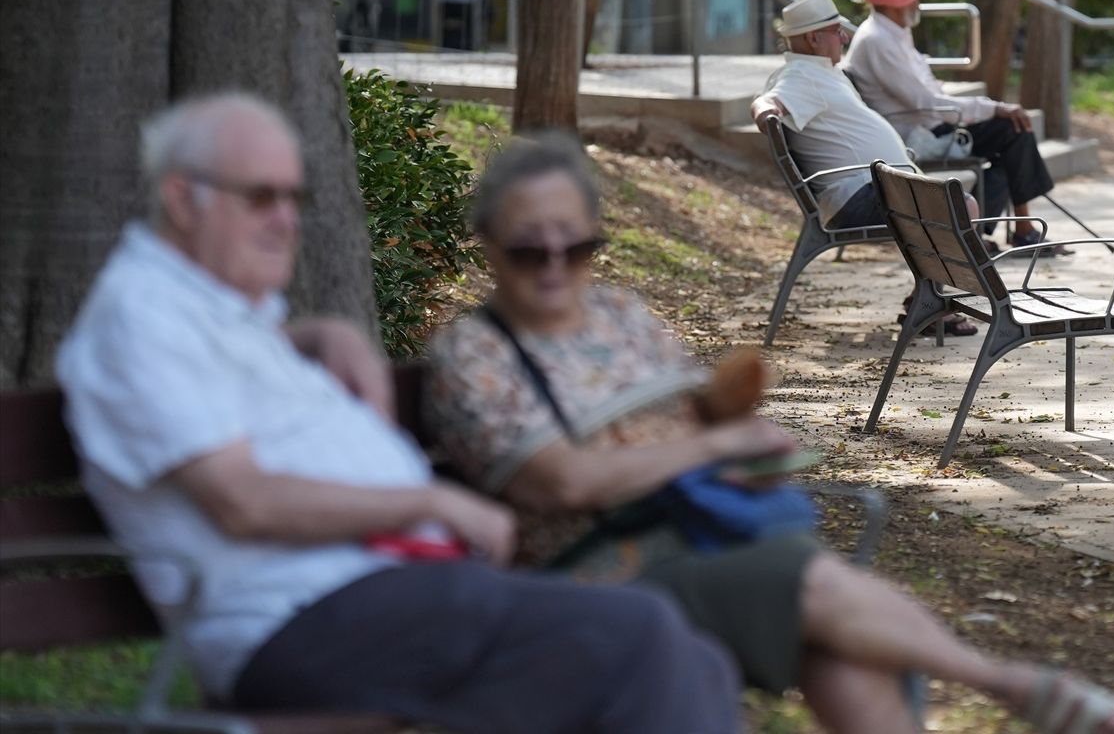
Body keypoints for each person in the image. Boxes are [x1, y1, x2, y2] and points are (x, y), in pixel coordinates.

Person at [56, 93, 740, 733]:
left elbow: (213, 383)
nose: (286, 218)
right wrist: (431, 501)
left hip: (384, 594)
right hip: (298, 619)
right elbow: (244, 503)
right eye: (261, 196)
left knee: (691, 656)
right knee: (638, 637)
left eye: (294, 196)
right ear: (182, 198)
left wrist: (320, 334)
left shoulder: (205, 311)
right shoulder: (141, 321)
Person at [425, 133, 1114, 734]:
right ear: (488, 245)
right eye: (529, 249)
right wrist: (714, 448)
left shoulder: (620, 316)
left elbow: (697, 419)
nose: (555, 264)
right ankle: (1015, 685)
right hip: (596, 571)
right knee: (815, 595)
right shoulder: (474, 356)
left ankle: (1026, 690)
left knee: (842, 651)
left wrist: (746, 445)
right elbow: (562, 482)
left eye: (573, 245)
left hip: (697, 528)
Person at [753, 0, 979, 337]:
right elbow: (771, 100)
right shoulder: (801, 75)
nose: (844, 37)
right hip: (859, 196)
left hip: (872, 188)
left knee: (960, 202)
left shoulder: (820, 71)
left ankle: (928, 301)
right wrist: (767, 111)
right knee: (959, 206)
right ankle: (929, 304)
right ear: (814, 38)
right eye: (836, 30)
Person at [842, 0, 1061, 254]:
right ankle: (1010, 231)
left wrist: (984, 108)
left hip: (930, 121)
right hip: (920, 131)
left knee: (1014, 137)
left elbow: (927, 90)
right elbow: (927, 103)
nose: (918, 3)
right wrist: (992, 108)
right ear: (898, 4)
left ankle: (987, 232)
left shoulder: (893, 31)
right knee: (1013, 129)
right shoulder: (878, 40)